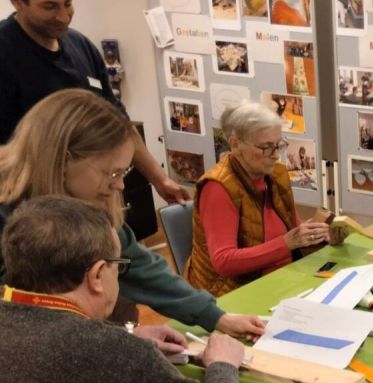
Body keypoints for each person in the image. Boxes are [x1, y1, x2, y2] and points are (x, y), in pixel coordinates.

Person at [0, 195, 269, 383]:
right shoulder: (106, 351)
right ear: (97, 275)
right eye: (119, 266)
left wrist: (128, 334)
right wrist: (223, 364)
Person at [0, 89, 264, 338]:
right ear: (64, 160)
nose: (120, 185)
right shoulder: (10, 215)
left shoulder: (89, 203)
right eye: (111, 173)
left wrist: (217, 317)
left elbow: (139, 266)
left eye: (123, 172)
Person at [0, 0, 188, 204]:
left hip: (94, 199)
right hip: (35, 205)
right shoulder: (6, 53)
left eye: (68, 4)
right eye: (49, 7)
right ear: (18, 3)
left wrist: (159, 179)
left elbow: (120, 124)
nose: (63, 17)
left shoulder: (81, 45)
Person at [187, 101, 329, 297]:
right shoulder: (218, 187)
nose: (276, 155)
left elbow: (293, 229)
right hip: (231, 292)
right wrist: (286, 243)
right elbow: (223, 261)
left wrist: (315, 236)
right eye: (266, 147)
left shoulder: (276, 174)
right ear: (236, 145)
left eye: (279, 145)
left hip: (279, 278)